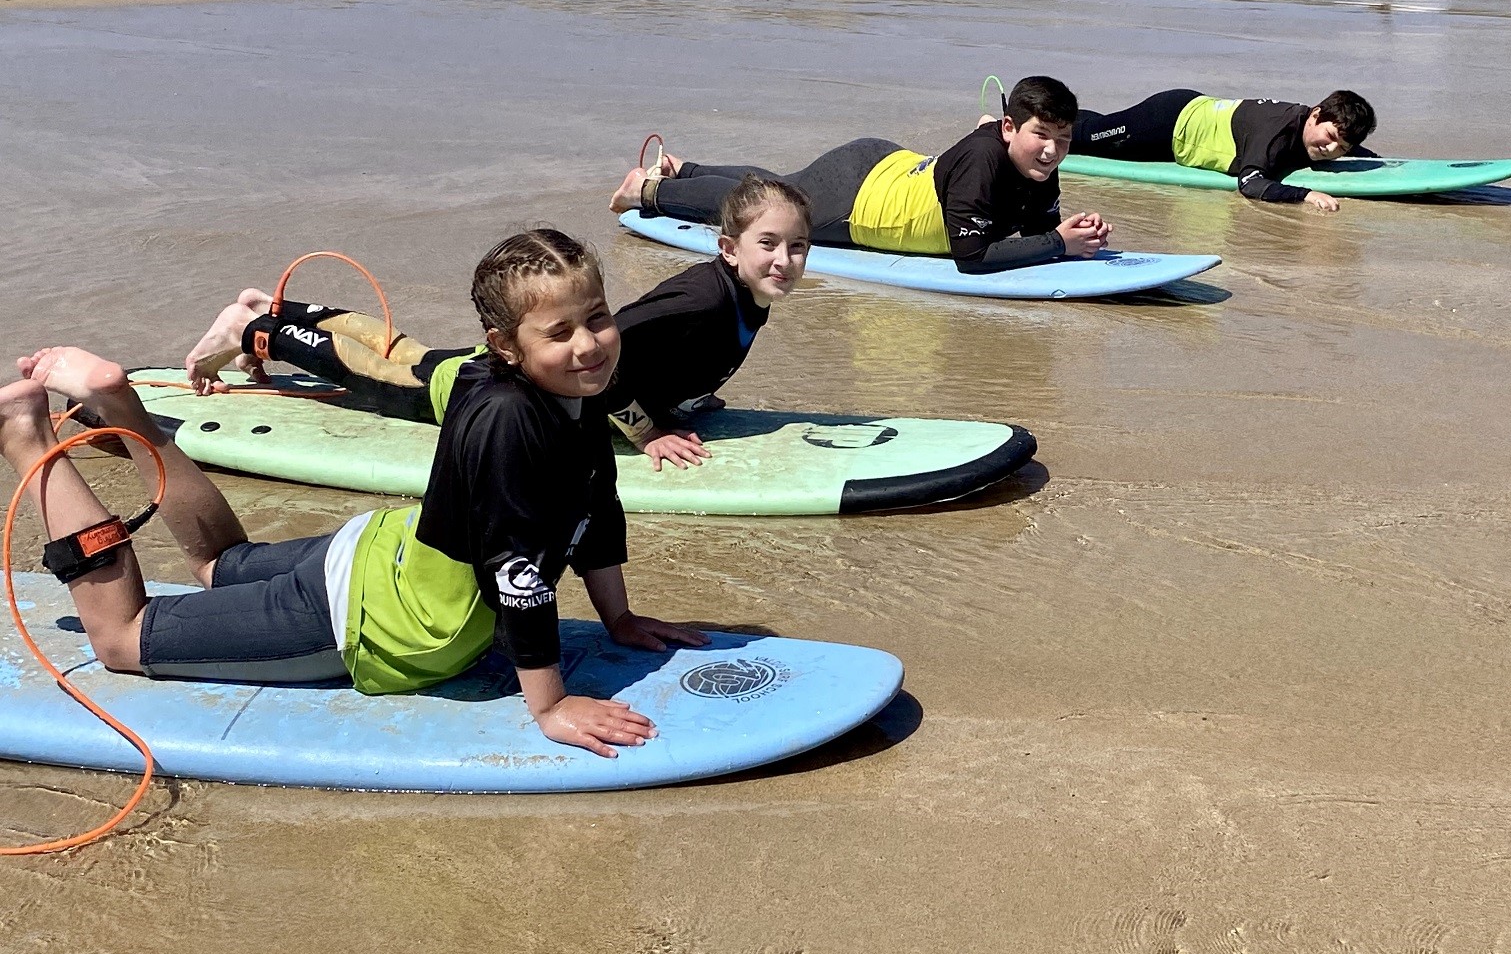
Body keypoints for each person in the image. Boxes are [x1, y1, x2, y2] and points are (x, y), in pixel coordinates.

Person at [1, 233, 708, 756]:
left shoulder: (501, 376)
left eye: (598, 317)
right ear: (506, 344)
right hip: (376, 623)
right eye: (560, 331)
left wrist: (618, 617)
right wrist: (549, 705)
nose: (589, 344)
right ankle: (26, 437)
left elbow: (596, 503)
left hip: (381, 554)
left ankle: (120, 407)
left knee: (218, 562)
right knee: (122, 639)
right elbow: (517, 573)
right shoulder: (512, 427)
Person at [186, 180, 811, 472]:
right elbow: (604, 348)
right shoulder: (702, 301)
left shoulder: (738, 298)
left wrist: (676, 404)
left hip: (506, 366)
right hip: (479, 390)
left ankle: (271, 308)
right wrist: (647, 432)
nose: (784, 260)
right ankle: (248, 331)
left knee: (400, 351)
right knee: (379, 374)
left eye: (799, 246)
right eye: (768, 244)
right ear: (730, 249)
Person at [613, 77, 1111, 275]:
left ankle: (686, 169)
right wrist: (1058, 245)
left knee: (785, 185)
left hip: (885, 165)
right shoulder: (985, 162)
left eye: (1063, 139)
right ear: (1008, 127)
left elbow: (1037, 229)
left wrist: (1070, 236)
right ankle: (650, 190)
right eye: (1040, 135)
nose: (1051, 151)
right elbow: (972, 258)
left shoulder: (1039, 162)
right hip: (857, 198)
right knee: (773, 209)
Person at [1071, 87, 1377, 214]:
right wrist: (1305, 194)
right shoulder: (1275, 132)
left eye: (1343, 147)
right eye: (1330, 136)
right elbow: (1250, 184)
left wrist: (1374, 160)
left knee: (1102, 127)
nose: (1332, 148)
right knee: (1084, 139)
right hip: (1166, 124)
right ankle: (1037, 123)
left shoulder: (1312, 129)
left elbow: (1348, 145)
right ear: (1316, 114)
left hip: (1192, 111)